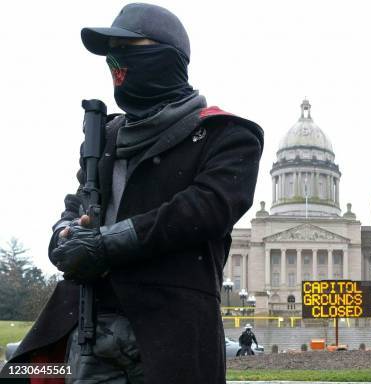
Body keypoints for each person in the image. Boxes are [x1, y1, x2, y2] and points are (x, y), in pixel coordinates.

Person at [2, 3, 263, 384]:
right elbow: (79, 201)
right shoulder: (105, 136)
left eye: (129, 50)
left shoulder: (228, 135)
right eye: (111, 53)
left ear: (166, 59)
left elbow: (204, 209)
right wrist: (64, 235)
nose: (117, 63)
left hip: (171, 338)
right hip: (86, 328)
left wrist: (108, 242)